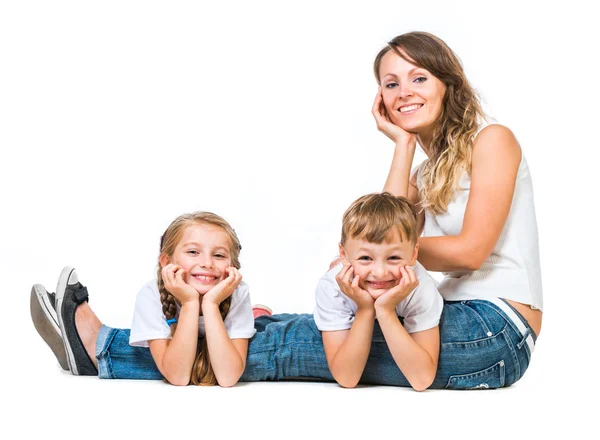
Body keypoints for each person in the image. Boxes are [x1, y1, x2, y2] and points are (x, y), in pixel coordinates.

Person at [31, 31, 541, 389]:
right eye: (390, 83)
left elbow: (469, 251)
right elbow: (392, 223)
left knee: (288, 344)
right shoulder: (430, 168)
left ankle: (102, 350)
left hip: (494, 332)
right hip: (458, 319)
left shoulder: (491, 139)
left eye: (418, 78)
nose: (403, 91)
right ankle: (134, 345)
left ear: (447, 82)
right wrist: (403, 149)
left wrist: (366, 261)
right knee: (288, 324)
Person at [314, 192, 442, 390]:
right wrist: (365, 309)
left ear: (413, 254)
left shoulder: (421, 287)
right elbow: (347, 379)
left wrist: (385, 310)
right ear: (344, 255)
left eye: (393, 258)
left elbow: (422, 379)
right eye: (365, 258)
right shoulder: (332, 286)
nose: (380, 272)